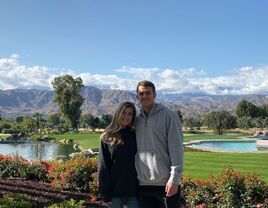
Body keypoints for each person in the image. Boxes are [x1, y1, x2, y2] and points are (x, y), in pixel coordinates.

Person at [135, 80, 184, 208]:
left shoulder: (168, 116)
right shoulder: (136, 120)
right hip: (142, 184)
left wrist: (174, 179)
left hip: (166, 184)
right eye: (141, 94)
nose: (144, 96)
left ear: (154, 95)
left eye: (148, 93)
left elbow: (177, 149)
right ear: (137, 97)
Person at [98, 101, 139, 208]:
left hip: (134, 191)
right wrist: (105, 193)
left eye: (130, 114)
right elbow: (103, 167)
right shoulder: (107, 137)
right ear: (118, 114)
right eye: (124, 112)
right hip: (114, 192)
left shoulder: (135, 134)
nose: (126, 116)